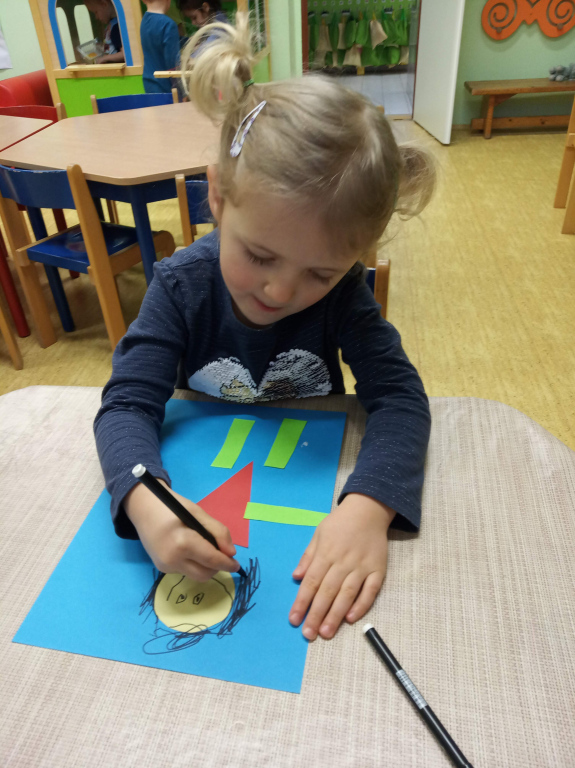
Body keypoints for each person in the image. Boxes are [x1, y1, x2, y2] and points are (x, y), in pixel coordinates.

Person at [94, 13, 435, 643]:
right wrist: (146, 501)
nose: (280, 291)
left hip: (303, 485)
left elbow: (402, 399)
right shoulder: (179, 287)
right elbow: (125, 405)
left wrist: (369, 505)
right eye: (258, 256)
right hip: (207, 480)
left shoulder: (345, 296)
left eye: (320, 272)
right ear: (217, 197)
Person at [140, 0, 181, 94]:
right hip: (166, 86)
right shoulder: (168, 24)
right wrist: (182, 91)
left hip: (149, 82)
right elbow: (173, 63)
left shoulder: (144, 21)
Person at [84, 0, 125, 64]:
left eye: (96, 12)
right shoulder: (112, 24)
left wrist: (105, 58)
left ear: (104, 4)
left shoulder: (116, 27)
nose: (96, 17)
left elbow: (124, 54)